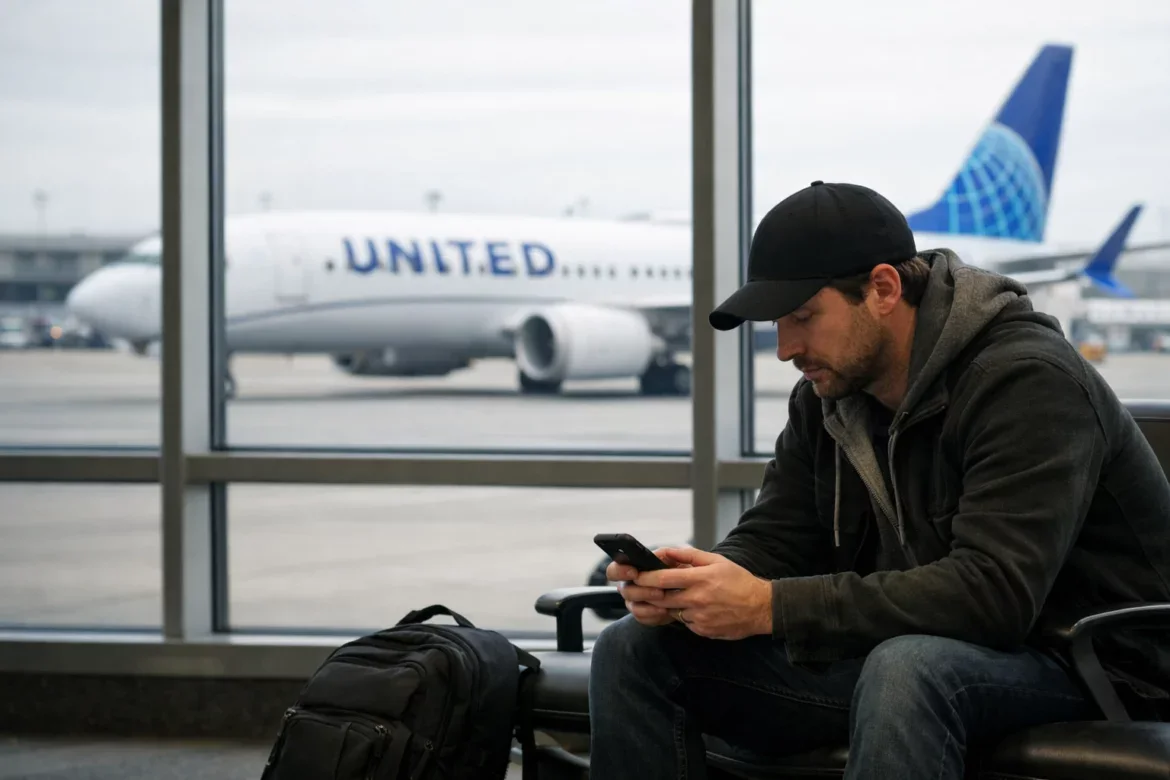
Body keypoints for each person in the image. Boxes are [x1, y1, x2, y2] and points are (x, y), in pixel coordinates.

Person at [588, 180, 1170, 780]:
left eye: (803, 317)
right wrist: (699, 585)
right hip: (914, 648)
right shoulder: (828, 394)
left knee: (907, 668)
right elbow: (780, 539)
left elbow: (994, 594)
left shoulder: (1027, 381)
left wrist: (770, 607)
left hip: (1087, 660)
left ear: (884, 289)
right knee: (635, 648)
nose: (786, 348)